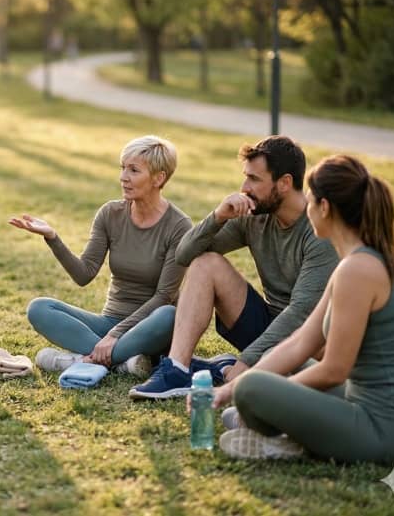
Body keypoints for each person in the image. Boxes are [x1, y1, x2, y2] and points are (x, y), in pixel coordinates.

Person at [213, 155, 394, 462]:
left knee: (253, 390)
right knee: (266, 378)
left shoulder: (358, 270)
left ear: (325, 208)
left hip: (389, 430)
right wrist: (229, 388)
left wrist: (264, 392)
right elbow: (302, 341)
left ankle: (290, 441)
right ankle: (283, 427)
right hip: (362, 402)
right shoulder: (352, 262)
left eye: (311, 201)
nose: (306, 209)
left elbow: (334, 370)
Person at [130, 135, 338, 399]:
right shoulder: (254, 216)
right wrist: (218, 217)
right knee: (206, 263)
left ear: (284, 183)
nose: (244, 187)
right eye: (245, 176)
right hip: (266, 326)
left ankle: (233, 369)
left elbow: (301, 313)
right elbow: (183, 255)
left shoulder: (319, 230)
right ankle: (178, 369)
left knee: (300, 375)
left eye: (254, 179)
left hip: (308, 340)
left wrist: (248, 360)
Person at [10, 135, 192, 377]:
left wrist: (114, 335)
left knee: (169, 315)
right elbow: (84, 274)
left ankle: (82, 359)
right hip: (109, 322)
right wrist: (52, 237)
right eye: (123, 168)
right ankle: (120, 362)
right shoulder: (110, 214)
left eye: (134, 170)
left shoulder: (179, 226)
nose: (123, 177)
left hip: (151, 327)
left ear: (159, 178)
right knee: (39, 308)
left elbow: (163, 296)